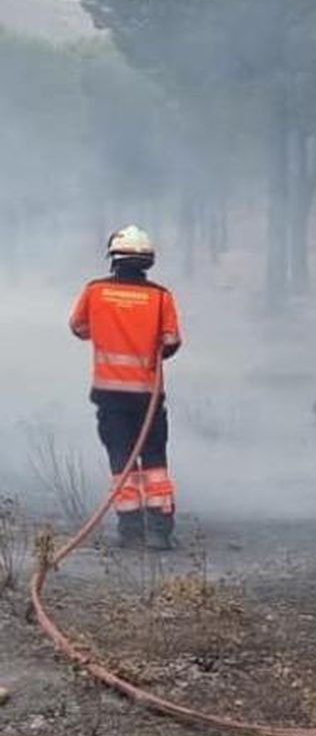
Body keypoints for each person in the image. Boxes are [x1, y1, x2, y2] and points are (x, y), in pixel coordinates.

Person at [68, 226, 183, 550]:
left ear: (114, 258)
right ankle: (160, 532)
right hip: (148, 397)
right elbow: (171, 342)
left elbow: (78, 327)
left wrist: (108, 328)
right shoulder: (161, 296)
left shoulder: (95, 291)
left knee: (122, 460)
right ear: (148, 261)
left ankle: (130, 530)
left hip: (110, 396)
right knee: (155, 460)